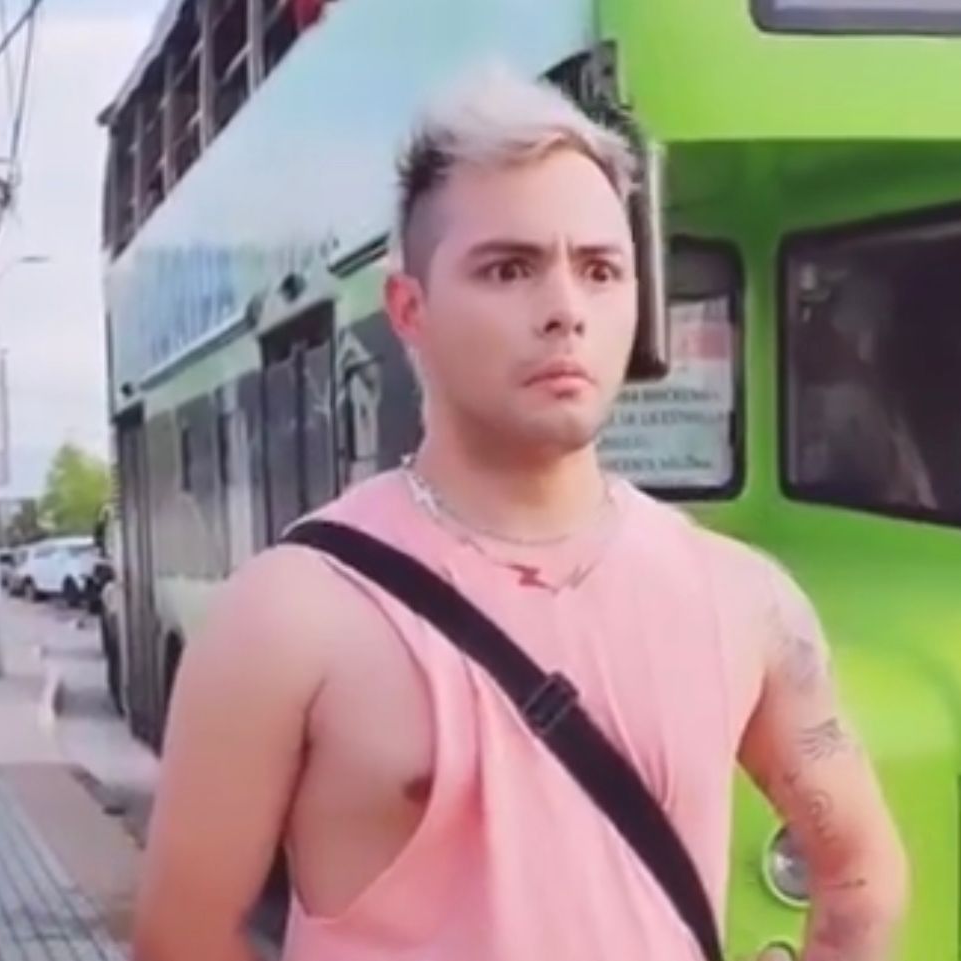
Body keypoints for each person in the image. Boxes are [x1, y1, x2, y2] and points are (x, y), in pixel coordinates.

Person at [132, 65, 908, 961]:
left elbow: (860, 872)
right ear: (409, 309)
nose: (566, 310)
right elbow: (182, 937)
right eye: (509, 269)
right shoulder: (290, 615)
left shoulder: (741, 599)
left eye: (601, 269)